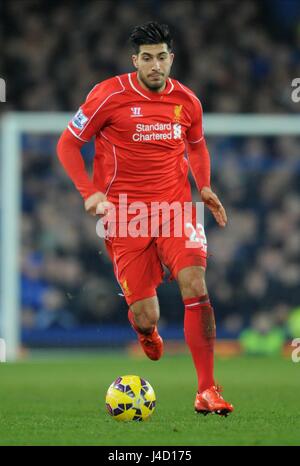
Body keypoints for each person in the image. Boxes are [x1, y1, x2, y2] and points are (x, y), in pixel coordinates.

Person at [57, 21, 233, 416]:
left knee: (195, 281)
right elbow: (68, 144)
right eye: (147, 58)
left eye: (162, 57)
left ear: (172, 58)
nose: (156, 65)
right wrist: (90, 193)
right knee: (146, 312)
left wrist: (203, 186)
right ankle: (145, 330)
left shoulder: (187, 102)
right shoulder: (108, 96)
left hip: (174, 210)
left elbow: (197, 147)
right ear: (135, 60)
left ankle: (207, 389)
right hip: (125, 217)